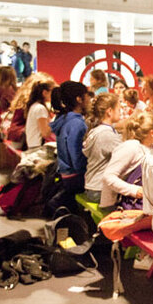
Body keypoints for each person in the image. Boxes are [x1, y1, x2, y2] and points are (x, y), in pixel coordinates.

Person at [47, 81, 91, 214]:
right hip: (75, 178)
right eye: (87, 96)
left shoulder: (63, 119)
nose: (89, 100)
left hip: (65, 175)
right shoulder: (76, 124)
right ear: (79, 99)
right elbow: (77, 158)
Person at [100, 111, 153, 209]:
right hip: (119, 204)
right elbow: (108, 176)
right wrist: (134, 191)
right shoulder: (131, 147)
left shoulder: (151, 147)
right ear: (152, 133)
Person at [82, 93, 122, 203]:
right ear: (109, 111)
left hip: (92, 187)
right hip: (99, 190)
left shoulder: (97, 130)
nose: (121, 112)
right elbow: (126, 153)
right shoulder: (106, 134)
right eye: (119, 109)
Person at [24, 81, 55, 149]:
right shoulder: (40, 109)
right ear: (44, 93)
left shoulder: (34, 106)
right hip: (38, 148)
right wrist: (55, 120)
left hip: (33, 146)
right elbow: (45, 133)